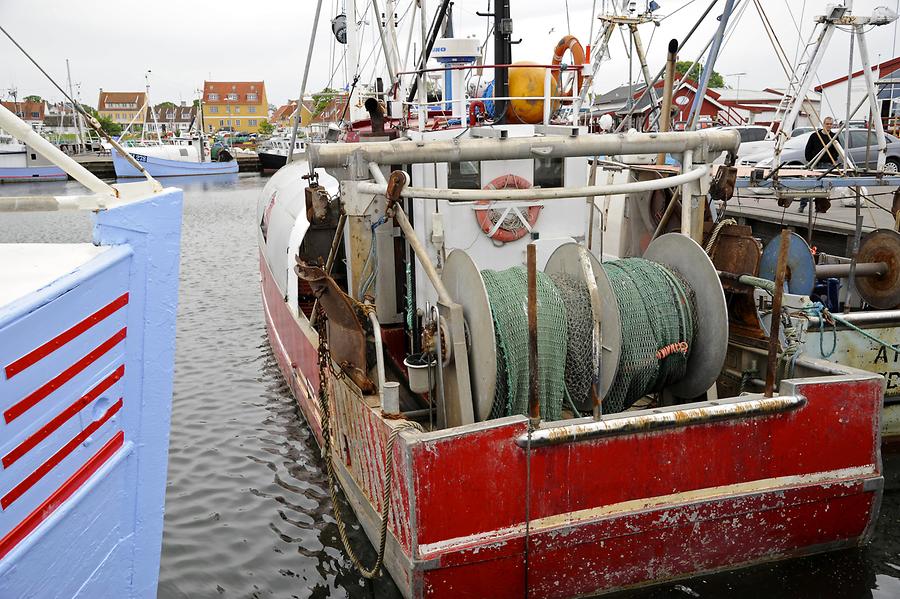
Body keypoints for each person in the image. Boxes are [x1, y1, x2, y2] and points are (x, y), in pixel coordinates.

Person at [799, 117, 838, 212]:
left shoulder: (833, 136)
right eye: (827, 124)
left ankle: (819, 207)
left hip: (827, 165)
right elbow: (808, 149)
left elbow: (837, 150)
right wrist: (810, 160)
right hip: (815, 164)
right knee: (809, 185)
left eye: (830, 124)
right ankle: (802, 205)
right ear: (823, 124)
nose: (829, 126)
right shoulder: (815, 136)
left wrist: (832, 159)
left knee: (822, 188)